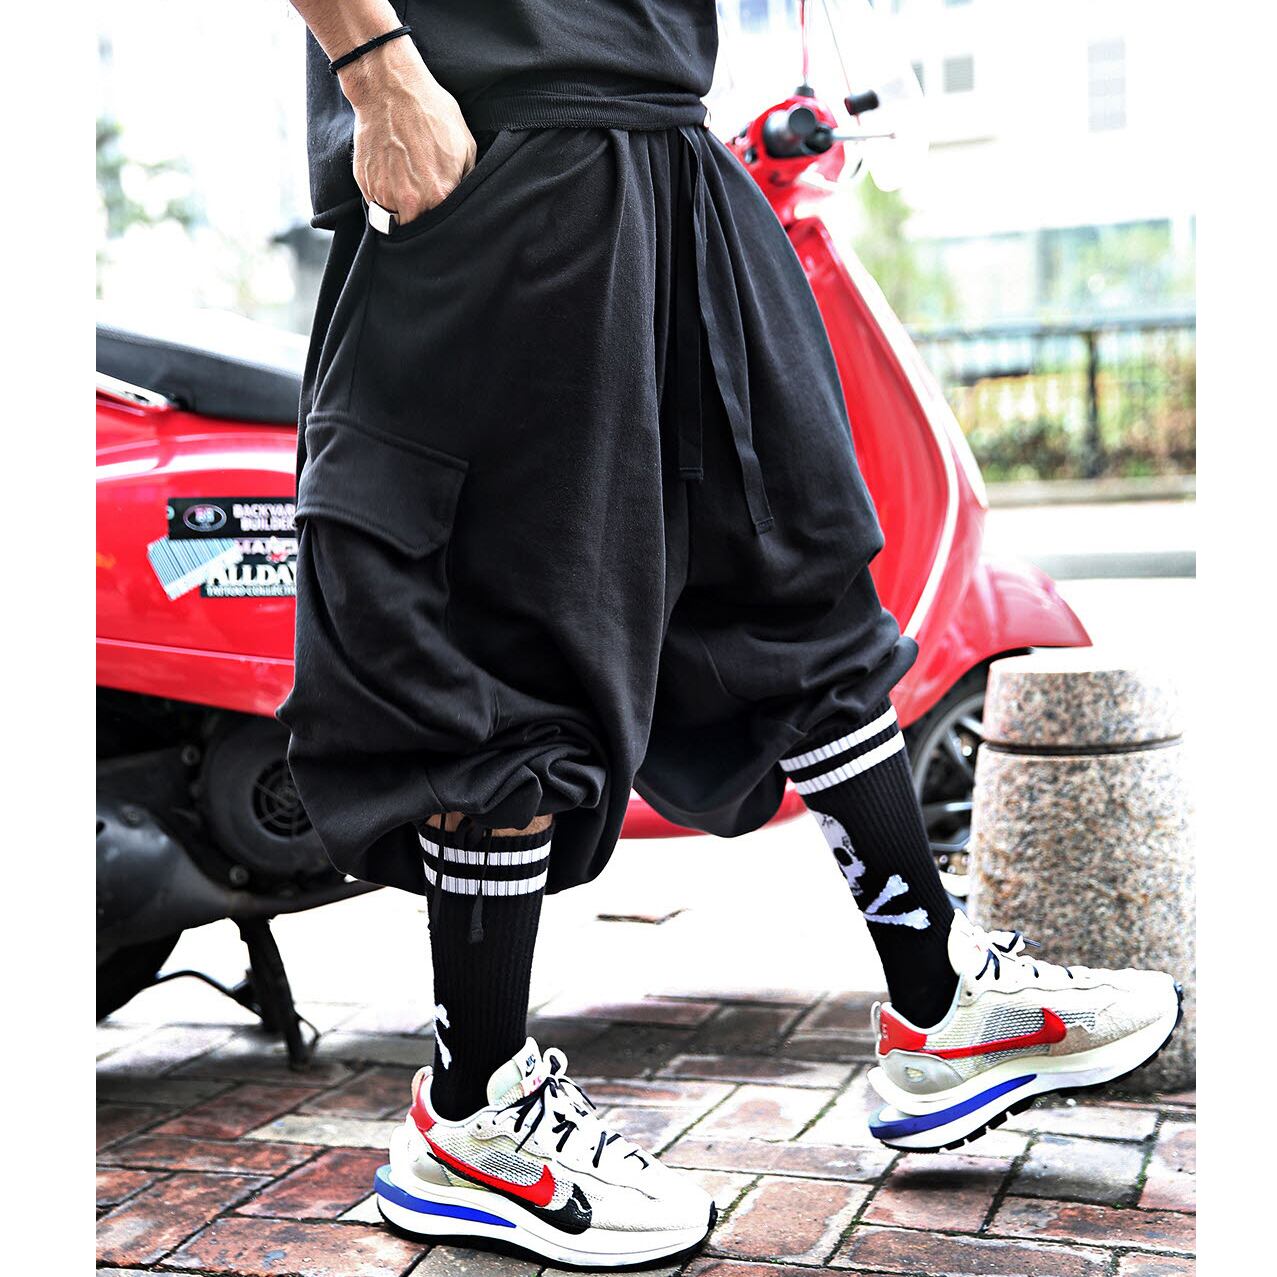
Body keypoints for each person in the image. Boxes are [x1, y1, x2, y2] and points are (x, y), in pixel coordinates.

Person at [279, 1, 1181, 1266]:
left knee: (789, 570)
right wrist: (376, 72)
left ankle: (936, 1000)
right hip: (502, 142)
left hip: (674, 151)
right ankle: (473, 1110)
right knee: (510, 640)